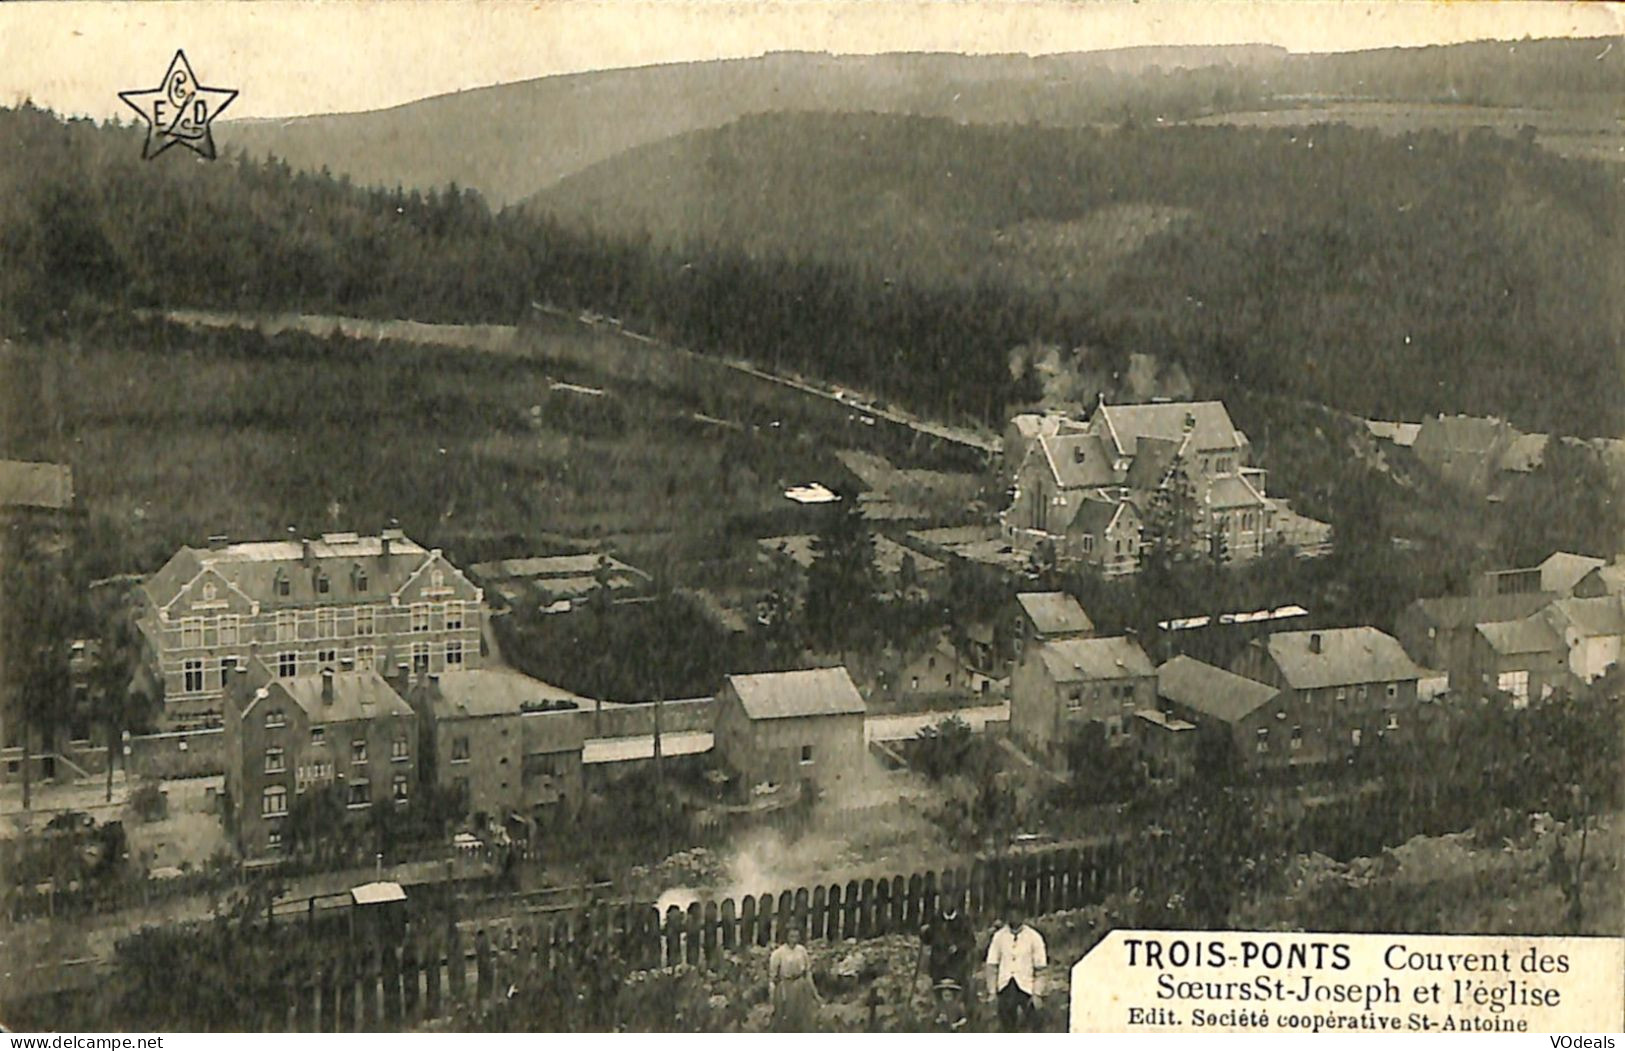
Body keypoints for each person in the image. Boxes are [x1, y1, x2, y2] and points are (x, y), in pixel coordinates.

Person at [918, 877, 976, 1028]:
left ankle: (958, 1019)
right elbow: (927, 940)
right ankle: (941, 1019)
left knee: (957, 994)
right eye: (944, 899)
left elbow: (971, 942)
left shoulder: (963, 921)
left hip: (956, 965)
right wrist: (925, 932)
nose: (947, 903)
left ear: (956, 901)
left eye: (950, 899)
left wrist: (958, 947)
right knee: (939, 994)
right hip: (939, 965)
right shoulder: (935, 920)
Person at [985, 906, 1046, 1032]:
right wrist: (992, 991)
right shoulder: (999, 937)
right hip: (1005, 987)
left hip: (1026, 988)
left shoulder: (1034, 937)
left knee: (1033, 1025)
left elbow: (1041, 969)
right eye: (1011, 913)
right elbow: (991, 965)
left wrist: (1037, 994)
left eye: (1018, 913)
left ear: (1024, 915)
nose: (1014, 916)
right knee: (1006, 1025)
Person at [768, 923, 821, 1031]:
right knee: (787, 1017)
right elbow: (773, 977)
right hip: (787, 986)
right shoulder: (779, 953)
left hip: (801, 986)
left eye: (796, 936)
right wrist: (772, 995)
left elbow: (807, 973)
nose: (794, 939)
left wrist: (815, 994)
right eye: (791, 936)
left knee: (803, 1016)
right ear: (786, 937)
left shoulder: (802, 951)